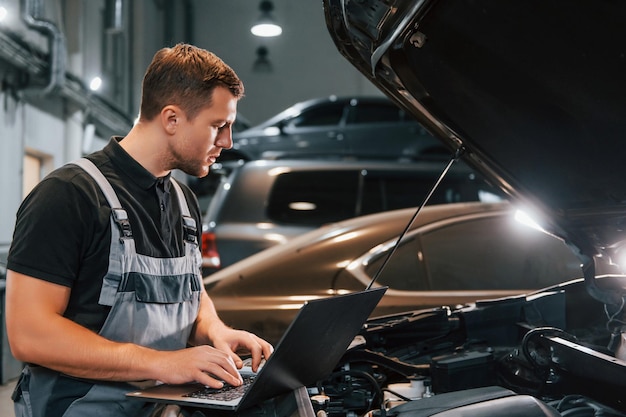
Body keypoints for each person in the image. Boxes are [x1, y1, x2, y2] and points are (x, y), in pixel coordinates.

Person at [5, 43, 273, 417]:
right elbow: (29, 334)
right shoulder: (68, 196)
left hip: (159, 407)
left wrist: (214, 331)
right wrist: (163, 363)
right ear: (172, 119)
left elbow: (190, 293)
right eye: (218, 126)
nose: (227, 142)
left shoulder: (182, 201)